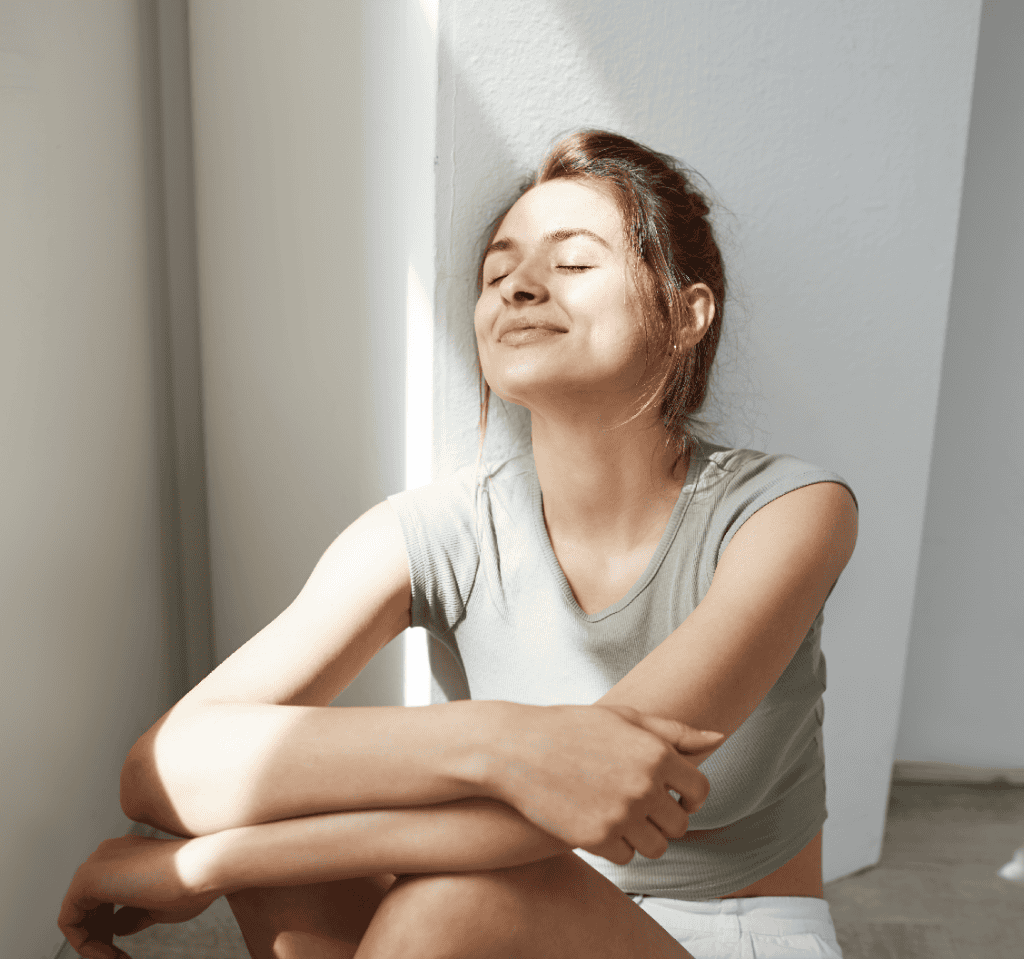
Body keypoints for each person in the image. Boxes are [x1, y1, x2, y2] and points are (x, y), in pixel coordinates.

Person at [58, 129, 859, 959]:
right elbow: (164, 767)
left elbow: (606, 785)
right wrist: (504, 741)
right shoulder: (437, 530)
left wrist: (206, 865)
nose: (519, 286)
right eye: (497, 271)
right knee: (306, 821)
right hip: (485, 913)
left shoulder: (790, 513)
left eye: (574, 263)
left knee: (459, 900)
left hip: (730, 933)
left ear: (687, 314)